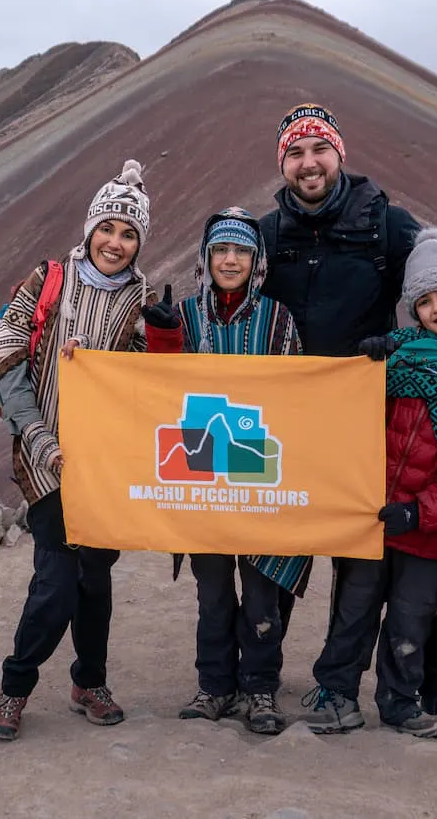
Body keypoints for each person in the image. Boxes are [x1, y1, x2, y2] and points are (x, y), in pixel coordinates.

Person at [257, 102, 437, 731]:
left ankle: (436, 689)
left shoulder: (385, 224)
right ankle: (267, 683)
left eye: (319, 149)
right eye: (295, 153)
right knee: (283, 555)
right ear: (283, 164)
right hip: (293, 424)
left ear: (338, 155)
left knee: (423, 568)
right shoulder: (269, 234)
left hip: (380, 411)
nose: (309, 163)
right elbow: (235, 297)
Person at [301, 228, 437, 736]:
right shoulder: (395, 359)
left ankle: (400, 703)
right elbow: (352, 427)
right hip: (372, 520)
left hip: (427, 529)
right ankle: (336, 695)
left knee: (411, 619)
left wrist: (421, 511)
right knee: (352, 613)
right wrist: (367, 369)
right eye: (423, 300)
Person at [0, 159, 157, 741]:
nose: (115, 242)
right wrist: (36, 434)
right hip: (44, 456)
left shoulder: (142, 300)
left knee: (95, 579)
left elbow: (147, 386)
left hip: (102, 464)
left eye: (128, 233)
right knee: (57, 580)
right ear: (90, 228)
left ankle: (89, 682)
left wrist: (148, 347)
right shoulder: (49, 279)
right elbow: (7, 348)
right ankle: (15, 687)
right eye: (107, 227)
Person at [142, 207, 304, 735]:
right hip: (202, 477)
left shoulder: (278, 319)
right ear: (206, 258)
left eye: (241, 252)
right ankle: (214, 686)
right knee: (211, 592)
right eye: (221, 250)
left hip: (258, 475)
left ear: (256, 261)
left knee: (261, 593)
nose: (230, 260)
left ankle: (260, 688)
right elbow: (155, 389)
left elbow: (301, 395)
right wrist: (162, 339)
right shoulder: (183, 316)